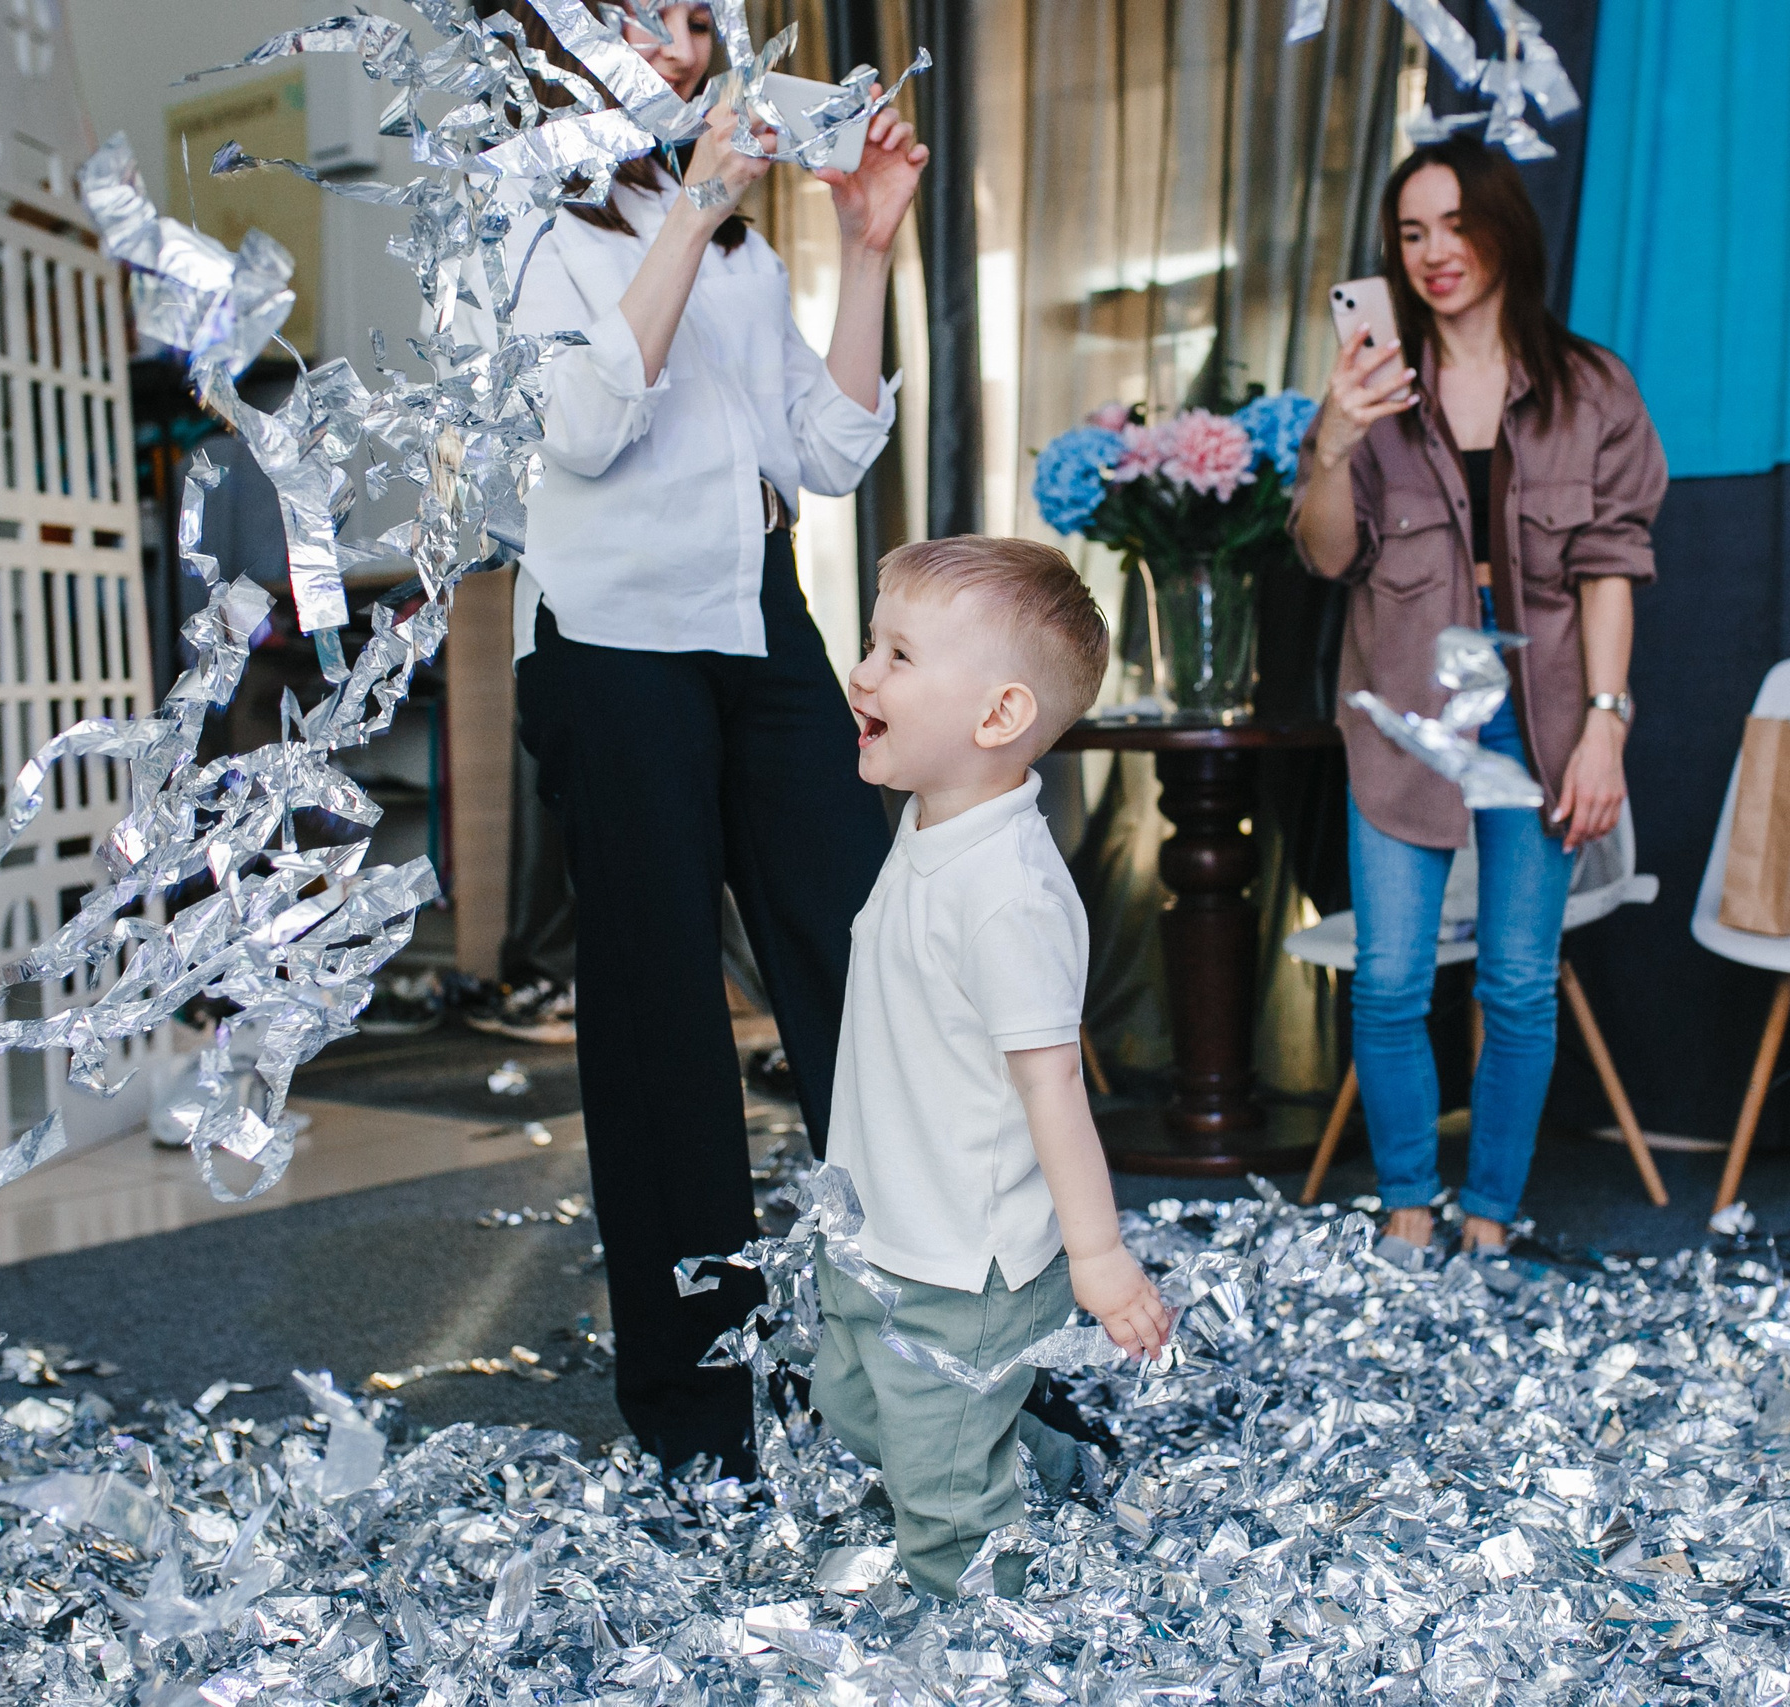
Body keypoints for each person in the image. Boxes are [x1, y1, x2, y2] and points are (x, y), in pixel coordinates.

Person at [490, 2, 927, 1477]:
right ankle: (703, 1403)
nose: (676, 42)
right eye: (638, 13)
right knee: (661, 1022)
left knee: (868, 970)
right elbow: (586, 433)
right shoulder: (511, 217)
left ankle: (943, 1345)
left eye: (693, 16)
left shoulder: (739, 243)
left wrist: (864, 247)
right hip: (610, 641)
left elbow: (828, 447)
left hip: (759, 615)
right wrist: (690, 209)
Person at [1290, 135, 1667, 1264]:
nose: (1435, 252)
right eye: (1412, 233)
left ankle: (1491, 1215)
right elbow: (1321, 556)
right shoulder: (1371, 386)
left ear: (1504, 228)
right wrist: (1333, 441)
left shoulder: (1590, 386)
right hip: (1407, 712)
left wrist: (1606, 724)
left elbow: (1608, 567)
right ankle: (1409, 1201)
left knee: (1515, 981)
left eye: (1456, 224)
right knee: (1394, 979)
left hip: (1539, 714)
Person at [815, 536, 1170, 1600]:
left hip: (966, 1261)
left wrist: (1097, 1256)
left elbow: (1052, 1086)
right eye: (872, 644)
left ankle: (972, 1630)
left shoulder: (1007, 891)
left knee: (939, 1495)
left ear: (998, 719)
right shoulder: (932, 824)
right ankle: (1034, 1456)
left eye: (900, 656)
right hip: (879, 1219)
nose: (863, 672)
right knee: (852, 1403)